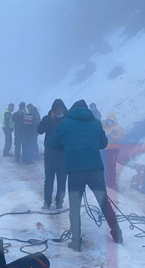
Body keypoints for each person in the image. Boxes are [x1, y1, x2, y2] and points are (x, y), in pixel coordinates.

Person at [47, 99, 123, 252]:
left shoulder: (66, 123)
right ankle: (117, 234)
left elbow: (50, 143)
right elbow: (103, 143)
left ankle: (76, 242)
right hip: (95, 169)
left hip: (75, 171)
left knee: (74, 207)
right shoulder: (95, 123)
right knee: (103, 203)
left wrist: (66, 146)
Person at [37, 99, 68, 210]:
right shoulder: (47, 118)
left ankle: (59, 202)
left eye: (61, 109)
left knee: (62, 180)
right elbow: (39, 130)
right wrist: (49, 120)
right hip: (50, 155)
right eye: (57, 109)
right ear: (53, 109)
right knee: (48, 179)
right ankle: (47, 202)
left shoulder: (67, 119)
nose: (59, 111)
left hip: (63, 154)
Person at [102, 113, 125, 188]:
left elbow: (121, 138)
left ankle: (112, 182)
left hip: (114, 149)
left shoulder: (118, 128)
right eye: (108, 120)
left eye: (111, 121)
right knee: (105, 165)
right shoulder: (105, 127)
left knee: (111, 165)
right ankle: (107, 180)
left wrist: (112, 137)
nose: (109, 122)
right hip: (105, 148)